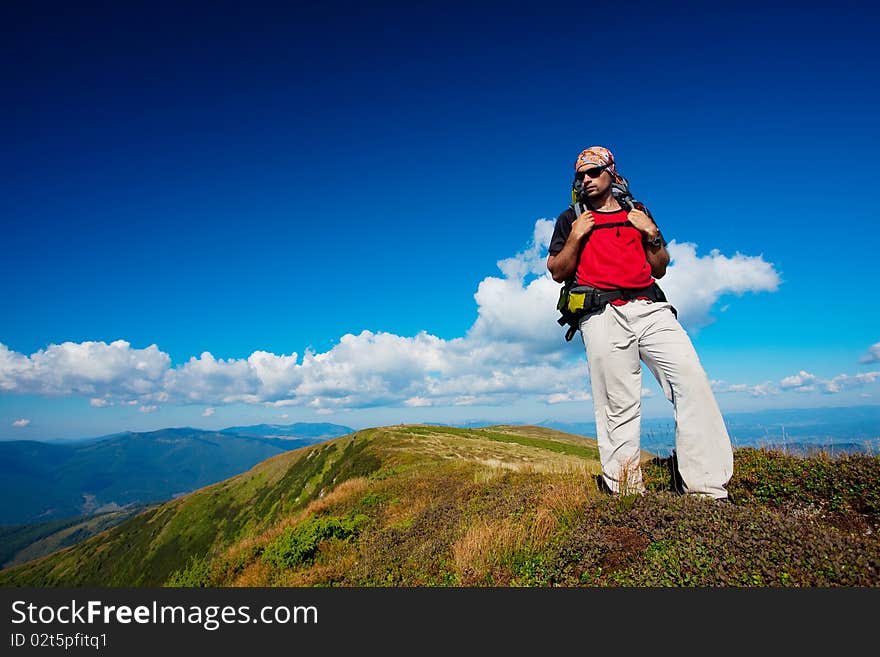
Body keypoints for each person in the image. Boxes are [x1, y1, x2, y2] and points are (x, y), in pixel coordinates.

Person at [546, 146, 733, 500]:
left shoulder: (639, 211)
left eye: (593, 172)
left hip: (651, 307)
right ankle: (627, 492)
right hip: (601, 314)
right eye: (580, 175)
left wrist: (651, 232)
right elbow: (557, 271)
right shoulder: (570, 218)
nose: (586, 179)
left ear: (612, 173)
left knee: (691, 380)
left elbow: (660, 265)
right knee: (617, 403)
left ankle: (707, 487)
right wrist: (575, 237)